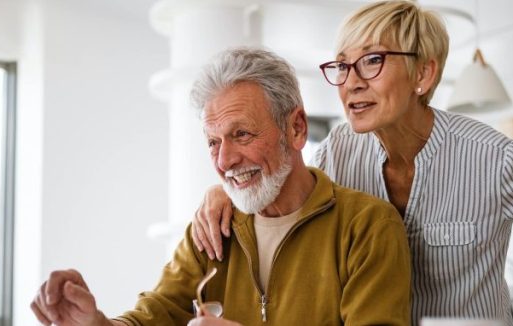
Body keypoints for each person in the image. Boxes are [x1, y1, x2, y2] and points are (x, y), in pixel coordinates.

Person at [190, 1, 513, 326]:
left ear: (423, 73)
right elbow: (284, 187)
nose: (351, 81)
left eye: (372, 60)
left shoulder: (495, 158)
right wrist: (223, 191)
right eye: (343, 65)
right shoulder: (338, 150)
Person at [31, 48, 412, 326]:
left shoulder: (368, 227)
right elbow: (157, 314)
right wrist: (97, 324)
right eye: (213, 142)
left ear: (295, 128)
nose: (224, 161)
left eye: (241, 134)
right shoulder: (212, 229)